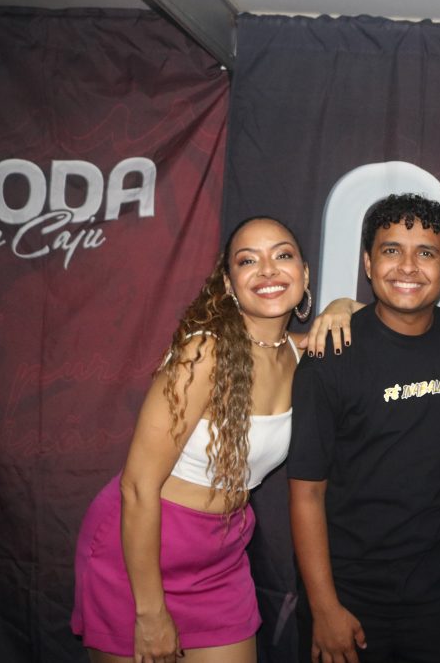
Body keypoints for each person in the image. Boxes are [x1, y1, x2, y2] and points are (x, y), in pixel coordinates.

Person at [71, 216, 345, 663]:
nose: (268, 269)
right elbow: (138, 487)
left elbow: (368, 321)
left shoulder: (300, 357)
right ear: (229, 284)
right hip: (139, 552)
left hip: (221, 557)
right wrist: (150, 613)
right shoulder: (204, 353)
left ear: (304, 273)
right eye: (248, 260)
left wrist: (344, 304)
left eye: (283, 255)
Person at [287, 194, 440, 663]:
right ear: (368, 262)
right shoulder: (331, 354)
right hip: (345, 593)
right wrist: (324, 608)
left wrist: (424, 533)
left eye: (426, 253)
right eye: (391, 249)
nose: (408, 266)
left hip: (434, 595)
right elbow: (306, 493)